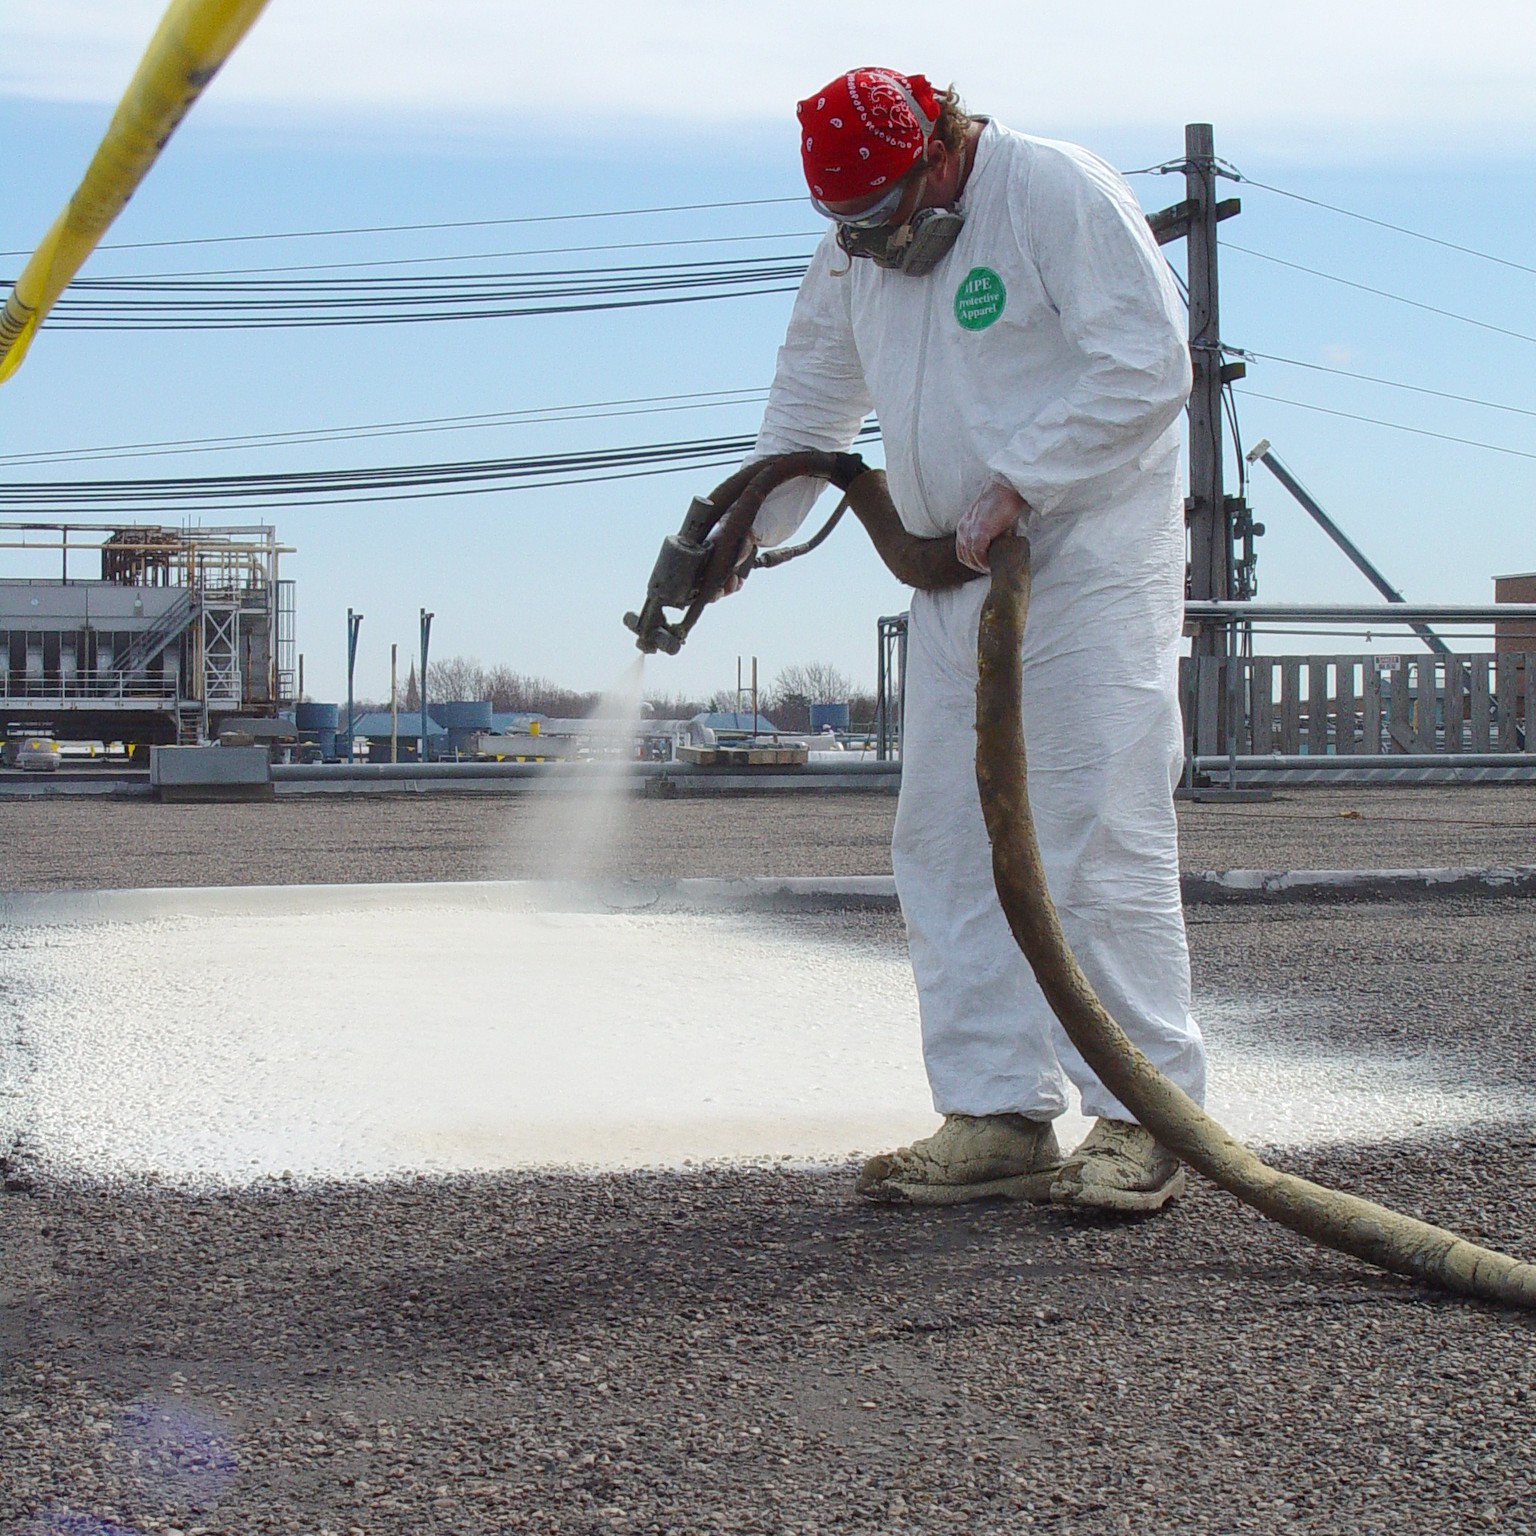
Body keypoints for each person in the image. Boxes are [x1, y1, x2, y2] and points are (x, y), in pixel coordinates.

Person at [741, 67, 1206, 1212]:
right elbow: (810, 398)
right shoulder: (860, 245)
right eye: (848, 225)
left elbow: (1149, 360)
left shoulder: (1049, 190)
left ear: (939, 149)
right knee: (946, 846)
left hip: (1085, 566)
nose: (873, 238)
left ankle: (1144, 1115)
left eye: (886, 209)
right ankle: (996, 1110)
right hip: (953, 576)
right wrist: (748, 530)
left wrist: (1025, 482)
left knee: (1095, 838)